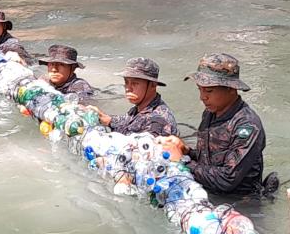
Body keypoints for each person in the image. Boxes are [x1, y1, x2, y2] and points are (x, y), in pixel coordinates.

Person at [157, 53, 275, 197]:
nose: (202, 97)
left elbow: (227, 179)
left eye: (209, 91)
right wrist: (186, 150)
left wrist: (182, 162)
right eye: (199, 89)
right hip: (205, 194)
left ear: (231, 89)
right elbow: (208, 161)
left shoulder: (247, 125)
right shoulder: (210, 113)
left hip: (241, 205)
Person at [89, 57, 178, 137]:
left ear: (152, 85)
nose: (128, 88)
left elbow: (140, 152)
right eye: (126, 82)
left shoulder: (158, 121)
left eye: (135, 83)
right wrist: (99, 115)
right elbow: (121, 121)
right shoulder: (138, 109)